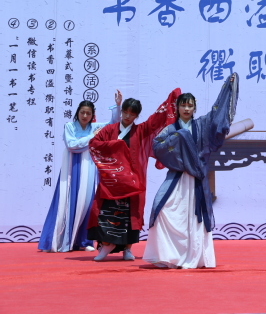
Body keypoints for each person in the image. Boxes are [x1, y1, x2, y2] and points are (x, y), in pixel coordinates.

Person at [143, 75, 239, 269]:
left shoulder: (202, 125)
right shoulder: (170, 129)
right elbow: (157, 146)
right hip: (177, 178)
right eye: (183, 105)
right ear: (177, 108)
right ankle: (168, 256)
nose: (186, 109)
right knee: (162, 210)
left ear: (194, 108)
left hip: (195, 179)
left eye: (190, 106)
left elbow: (217, 114)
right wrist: (179, 138)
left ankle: (194, 257)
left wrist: (227, 91)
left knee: (195, 219)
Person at [87, 88, 181, 261]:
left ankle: (127, 249)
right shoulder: (109, 130)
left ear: (137, 116)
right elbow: (94, 143)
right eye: (125, 112)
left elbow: (156, 120)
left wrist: (172, 99)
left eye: (132, 114)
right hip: (112, 180)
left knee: (131, 214)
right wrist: (116, 145)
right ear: (121, 111)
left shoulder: (141, 130)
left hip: (133, 180)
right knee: (106, 211)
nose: (127, 116)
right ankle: (106, 245)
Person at [38, 91, 122, 253]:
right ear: (77, 113)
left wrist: (118, 106)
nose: (85, 116)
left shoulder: (95, 127)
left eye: (88, 113)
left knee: (87, 203)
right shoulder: (69, 126)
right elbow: (72, 145)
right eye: (82, 112)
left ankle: (84, 240)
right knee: (66, 201)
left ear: (92, 115)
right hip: (71, 168)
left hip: (89, 168)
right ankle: (60, 239)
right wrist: (92, 137)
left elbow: (114, 124)